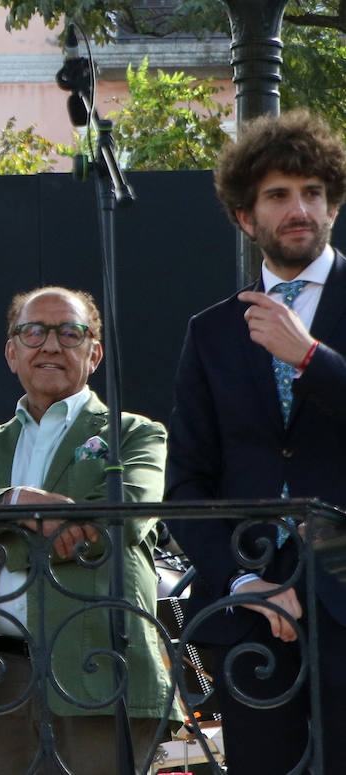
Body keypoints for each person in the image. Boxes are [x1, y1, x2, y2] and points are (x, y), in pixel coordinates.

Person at [0, 286, 172, 775]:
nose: (50, 345)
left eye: (69, 332)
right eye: (33, 331)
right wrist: (13, 503)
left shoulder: (133, 432)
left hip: (98, 664)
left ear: (93, 353)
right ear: (13, 352)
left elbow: (127, 514)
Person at [165, 109, 346, 775]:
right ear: (246, 217)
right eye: (278, 195)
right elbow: (186, 482)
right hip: (251, 621)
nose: (299, 208)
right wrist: (244, 581)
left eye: (313, 191)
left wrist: (311, 358)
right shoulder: (211, 331)